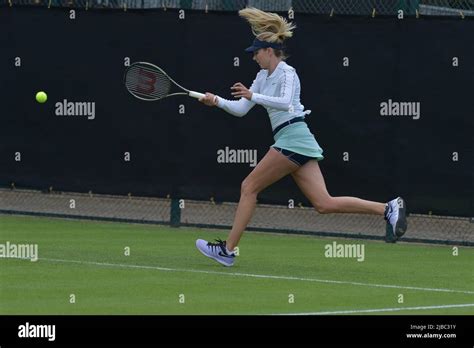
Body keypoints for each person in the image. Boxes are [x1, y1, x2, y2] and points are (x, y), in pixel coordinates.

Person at [195, 7, 407, 267]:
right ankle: (388, 208)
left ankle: (227, 251)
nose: (254, 58)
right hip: (295, 140)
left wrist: (254, 96)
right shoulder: (262, 76)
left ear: (269, 50)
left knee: (249, 187)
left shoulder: (287, 73)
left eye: (256, 53)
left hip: (293, 137)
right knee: (323, 203)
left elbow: (284, 103)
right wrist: (215, 101)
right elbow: (241, 109)